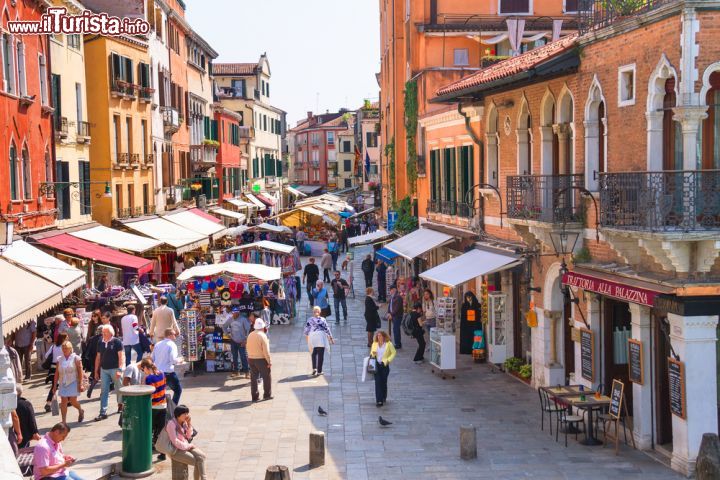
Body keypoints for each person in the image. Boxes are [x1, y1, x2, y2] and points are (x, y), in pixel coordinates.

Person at [164, 405, 207, 480]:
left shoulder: (184, 422)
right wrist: (188, 446)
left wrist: (189, 424)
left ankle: (204, 478)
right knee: (197, 461)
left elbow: (189, 436)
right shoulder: (171, 424)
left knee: (202, 456)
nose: (186, 415)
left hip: (185, 445)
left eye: (187, 413)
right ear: (178, 415)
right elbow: (175, 441)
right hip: (175, 450)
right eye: (184, 413)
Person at [139, 358, 167, 460]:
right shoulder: (162, 374)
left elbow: (147, 393)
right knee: (160, 431)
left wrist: (143, 380)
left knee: (149, 429)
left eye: (143, 369)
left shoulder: (148, 379)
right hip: (163, 405)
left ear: (146, 367)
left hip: (153, 407)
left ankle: (146, 451)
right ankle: (163, 453)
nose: (143, 372)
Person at [94, 325, 124, 421]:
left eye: (105, 332)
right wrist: (96, 371)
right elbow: (98, 357)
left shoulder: (117, 342)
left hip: (115, 368)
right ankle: (103, 412)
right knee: (104, 391)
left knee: (119, 388)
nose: (103, 334)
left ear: (111, 333)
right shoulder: (100, 342)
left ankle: (121, 404)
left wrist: (120, 370)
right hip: (104, 369)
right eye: (102, 332)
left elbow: (121, 357)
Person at [53, 341, 85, 424]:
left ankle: (80, 410)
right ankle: (64, 421)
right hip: (63, 382)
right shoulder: (59, 359)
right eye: (63, 348)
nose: (64, 350)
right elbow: (56, 373)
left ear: (70, 349)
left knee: (72, 400)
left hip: (73, 381)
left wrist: (81, 383)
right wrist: (54, 385)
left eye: (66, 348)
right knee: (63, 401)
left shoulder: (76, 358)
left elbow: (80, 371)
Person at [153, 328, 183, 405]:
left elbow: (152, 358)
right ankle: (173, 408)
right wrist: (180, 360)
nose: (175, 337)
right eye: (174, 334)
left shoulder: (157, 344)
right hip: (168, 372)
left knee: (160, 391)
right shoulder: (172, 345)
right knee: (178, 390)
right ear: (169, 335)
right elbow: (173, 360)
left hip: (158, 372)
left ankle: (160, 407)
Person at [303, 306, 334, 376]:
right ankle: (319, 371)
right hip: (320, 338)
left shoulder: (310, 320)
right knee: (321, 355)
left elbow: (306, 331)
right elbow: (327, 329)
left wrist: (307, 339)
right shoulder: (323, 319)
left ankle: (314, 368)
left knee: (314, 353)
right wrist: (331, 338)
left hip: (313, 337)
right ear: (320, 312)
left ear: (313, 313)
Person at [246, 318, 272, 402]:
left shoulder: (250, 334)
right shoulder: (263, 335)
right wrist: (269, 361)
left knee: (253, 378)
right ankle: (267, 395)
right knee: (266, 377)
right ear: (262, 327)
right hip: (260, 359)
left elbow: (247, 347)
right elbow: (266, 350)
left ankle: (254, 396)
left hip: (251, 358)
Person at [369, 331, 396, 407]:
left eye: (380, 336)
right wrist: (372, 354)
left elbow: (393, 352)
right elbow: (371, 353)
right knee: (378, 382)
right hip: (377, 365)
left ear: (384, 336)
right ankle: (379, 400)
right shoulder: (374, 344)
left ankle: (384, 396)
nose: (379, 337)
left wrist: (388, 360)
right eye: (378, 336)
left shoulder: (388, 344)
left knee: (383, 382)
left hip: (384, 365)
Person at [44, 333, 68, 412]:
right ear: (63, 339)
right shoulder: (64, 347)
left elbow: (46, 355)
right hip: (62, 367)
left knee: (54, 386)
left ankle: (49, 403)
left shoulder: (53, 346)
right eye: (66, 338)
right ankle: (66, 401)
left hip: (53, 368)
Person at [224, 308, 251, 377]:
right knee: (234, 357)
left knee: (243, 357)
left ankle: (247, 372)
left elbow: (248, 330)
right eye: (233, 313)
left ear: (238, 313)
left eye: (235, 313)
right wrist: (227, 334)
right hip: (233, 341)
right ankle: (236, 371)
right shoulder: (230, 319)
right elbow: (224, 326)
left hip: (242, 341)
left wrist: (246, 340)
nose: (234, 314)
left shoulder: (243, 319)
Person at [15, 383, 40, 449]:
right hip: (25, 434)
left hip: (14, 434)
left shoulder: (9, 405)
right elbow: (32, 420)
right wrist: (35, 432)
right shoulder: (26, 404)